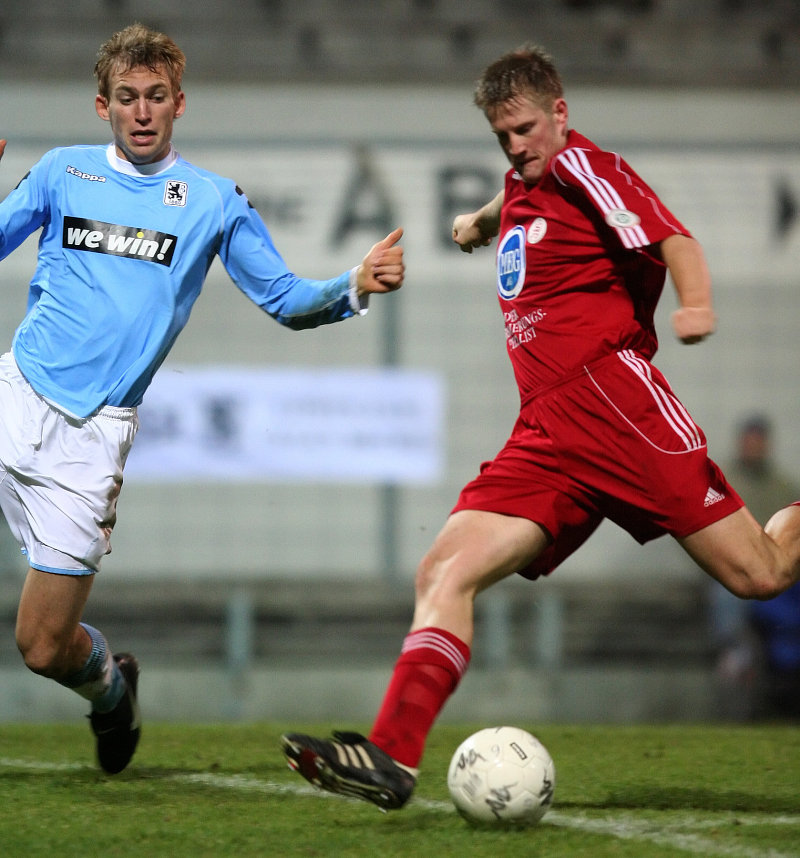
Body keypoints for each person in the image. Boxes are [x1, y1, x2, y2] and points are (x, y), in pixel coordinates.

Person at [281, 44, 800, 810]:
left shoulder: (589, 167)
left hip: (620, 410)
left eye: (525, 128)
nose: (516, 146)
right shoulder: (525, 178)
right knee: (443, 571)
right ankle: (389, 756)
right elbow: (508, 203)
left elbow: (673, 238)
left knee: (761, 574)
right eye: (502, 136)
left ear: (559, 113)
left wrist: (695, 304)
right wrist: (476, 223)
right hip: (549, 434)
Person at [0, 23, 404, 776]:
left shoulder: (212, 202)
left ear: (179, 103)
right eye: (127, 98)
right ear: (102, 106)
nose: (142, 111)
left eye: (156, 97)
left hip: (91, 439)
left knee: (42, 648)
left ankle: (113, 691)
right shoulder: (61, 172)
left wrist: (352, 284)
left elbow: (282, 297)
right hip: (13, 394)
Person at [709, 416, 800, 720]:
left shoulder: (782, 486)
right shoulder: (722, 481)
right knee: (727, 590)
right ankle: (736, 651)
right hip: (732, 570)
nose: (754, 447)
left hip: (776, 572)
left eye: (759, 441)